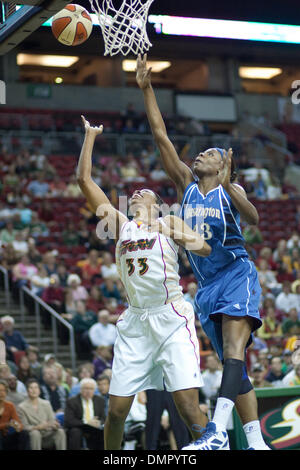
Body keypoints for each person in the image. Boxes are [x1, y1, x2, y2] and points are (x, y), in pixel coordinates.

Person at [137, 54, 269, 450]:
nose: (200, 156)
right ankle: (255, 442)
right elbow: (161, 136)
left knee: (232, 352)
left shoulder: (231, 191)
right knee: (234, 367)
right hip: (207, 285)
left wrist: (230, 188)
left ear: (222, 165)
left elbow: (256, 219)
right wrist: (147, 89)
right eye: (200, 154)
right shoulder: (187, 184)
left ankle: (216, 432)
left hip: (236, 274)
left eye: (209, 154)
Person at [76, 114, 211, 450]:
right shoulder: (121, 225)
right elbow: (83, 180)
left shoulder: (170, 222)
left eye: (143, 192)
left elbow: (205, 248)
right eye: (133, 192)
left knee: (187, 406)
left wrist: (178, 231)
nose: (135, 193)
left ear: (157, 204)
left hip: (171, 317)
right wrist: (90, 136)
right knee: (117, 410)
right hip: (136, 320)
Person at [18, 378, 66, 450]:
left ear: (39, 390)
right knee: (35, 433)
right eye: (31, 388)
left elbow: (52, 420)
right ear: (27, 391)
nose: (34, 390)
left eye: (36, 387)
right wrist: (38, 427)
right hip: (33, 435)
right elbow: (24, 427)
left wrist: (55, 425)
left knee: (60, 431)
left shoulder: (46, 403)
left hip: (47, 434)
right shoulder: (21, 407)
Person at [64, 378, 106, 450]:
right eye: (86, 388)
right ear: (80, 389)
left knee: (103, 432)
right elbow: (69, 421)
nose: (88, 391)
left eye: (91, 389)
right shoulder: (72, 401)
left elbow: (103, 418)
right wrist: (87, 422)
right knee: (75, 432)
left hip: (94, 428)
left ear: (94, 390)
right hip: (79, 426)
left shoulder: (100, 400)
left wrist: (99, 422)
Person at [0, 379, 30, 450]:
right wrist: (7, 424)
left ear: (6, 392)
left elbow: (19, 423)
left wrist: (17, 426)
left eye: (3, 390)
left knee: (24, 434)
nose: (1, 393)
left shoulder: (10, 406)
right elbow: (6, 424)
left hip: (6, 436)